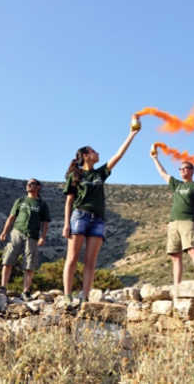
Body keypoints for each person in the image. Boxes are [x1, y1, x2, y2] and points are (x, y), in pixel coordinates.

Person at [61, 123, 140, 305]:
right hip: (79, 216)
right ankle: (67, 296)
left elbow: (118, 155)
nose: (98, 154)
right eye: (94, 152)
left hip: (98, 220)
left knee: (91, 261)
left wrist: (132, 134)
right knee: (72, 258)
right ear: (87, 155)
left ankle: (85, 297)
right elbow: (69, 201)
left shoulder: (100, 173)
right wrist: (66, 224)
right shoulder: (76, 175)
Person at [150, 145, 194, 293]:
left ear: (192, 171)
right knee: (175, 256)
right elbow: (163, 174)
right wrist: (155, 158)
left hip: (188, 222)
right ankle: (177, 286)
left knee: (193, 251)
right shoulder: (176, 185)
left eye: (186, 168)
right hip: (173, 224)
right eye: (181, 169)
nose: (183, 170)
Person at [0, 178, 51, 301]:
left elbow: (45, 223)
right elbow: (11, 217)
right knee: (8, 258)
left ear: (38, 187)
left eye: (32, 184)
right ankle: (3, 287)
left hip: (32, 235)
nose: (29, 185)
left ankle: (26, 291)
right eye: (28, 184)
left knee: (29, 263)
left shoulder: (42, 204)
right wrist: (4, 231)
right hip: (17, 231)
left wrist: (43, 236)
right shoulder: (20, 200)